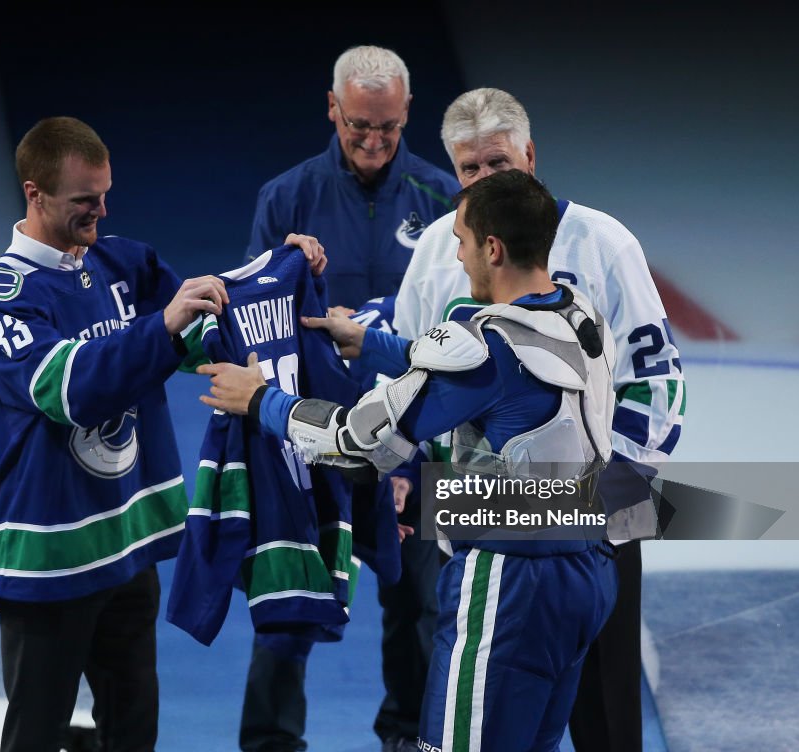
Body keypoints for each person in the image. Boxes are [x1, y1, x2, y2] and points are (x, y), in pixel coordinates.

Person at [200, 169, 619, 751]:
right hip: (588, 572)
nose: (457, 252)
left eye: (463, 240)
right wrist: (369, 342)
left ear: (493, 249)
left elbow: (355, 440)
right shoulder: (579, 315)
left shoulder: (488, 343)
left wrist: (260, 400)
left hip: (509, 588)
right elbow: (483, 375)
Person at [393, 88, 686, 751]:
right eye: (469, 171)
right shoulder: (444, 248)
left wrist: (607, 499)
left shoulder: (604, 242)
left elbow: (659, 385)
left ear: (531, 154)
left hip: (595, 512)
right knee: (490, 716)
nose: (484, 182)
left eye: (498, 165)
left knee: (604, 716)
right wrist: (413, 474)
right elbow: (410, 369)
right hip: (480, 520)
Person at [0, 116, 232, 752]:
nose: (101, 210)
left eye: (105, 194)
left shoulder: (123, 262)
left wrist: (280, 265)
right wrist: (162, 326)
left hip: (125, 543)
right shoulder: (2, 299)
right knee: (36, 732)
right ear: (35, 194)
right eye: (84, 200)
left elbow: (205, 329)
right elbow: (71, 391)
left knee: (134, 728)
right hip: (49, 553)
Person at [241, 45, 460, 752]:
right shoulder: (286, 198)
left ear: (408, 115)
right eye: (359, 125)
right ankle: (271, 743)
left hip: (418, 442)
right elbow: (259, 325)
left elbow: (454, 336)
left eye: (389, 128)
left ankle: (410, 739)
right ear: (332, 107)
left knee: (419, 607)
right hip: (310, 440)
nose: (373, 142)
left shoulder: (442, 200)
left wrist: (410, 455)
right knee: (288, 606)